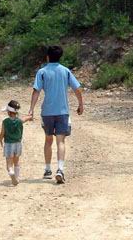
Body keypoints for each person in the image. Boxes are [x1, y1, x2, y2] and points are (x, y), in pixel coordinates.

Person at [28, 45, 83, 184]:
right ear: (60, 57)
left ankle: (47, 170)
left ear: (47, 57)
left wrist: (31, 109)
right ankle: (60, 169)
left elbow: (36, 91)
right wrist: (81, 104)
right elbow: (77, 89)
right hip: (62, 111)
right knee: (61, 141)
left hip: (47, 112)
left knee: (48, 140)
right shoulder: (66, 71)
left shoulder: (42, 72)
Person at [0, 99, 32, 185]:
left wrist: (0, 139)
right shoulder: (20, 121)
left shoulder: (5, 122)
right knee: (16, 162)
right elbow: (26, 118)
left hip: (8, 144)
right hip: (18, 144)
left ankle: (11, 172)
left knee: (9, 164)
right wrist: (30, 116)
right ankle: (17, 177)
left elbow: (2, 133)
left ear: (8, 112)